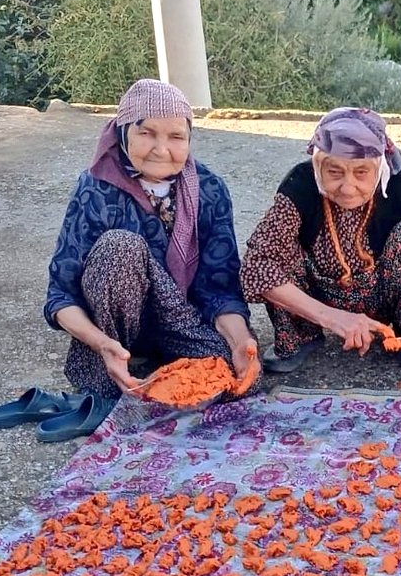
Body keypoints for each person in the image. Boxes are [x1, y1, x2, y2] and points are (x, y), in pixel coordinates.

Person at [43, 79, 257, 429]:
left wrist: (240, 340)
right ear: (123, 133)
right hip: (113, 330)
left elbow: (220, 288)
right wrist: (101, 343)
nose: (161, 149)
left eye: (176, 137)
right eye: (147, 133)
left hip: (180, 319)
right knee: (120, 247)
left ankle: (161, 364)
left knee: (236, 378)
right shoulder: (96, 189)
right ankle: (110, 372)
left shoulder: (210, 189)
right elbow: (60, 297)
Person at [240, 107, 401, 372]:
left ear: (379, 168)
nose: (348, 187)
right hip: (316, 295)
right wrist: (331, 317)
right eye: (334, 172)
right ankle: (299, 335)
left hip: (384, 294)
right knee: (276, 248)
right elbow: (255, 266)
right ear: (318, 166)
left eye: (361, 172)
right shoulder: (301, 185)